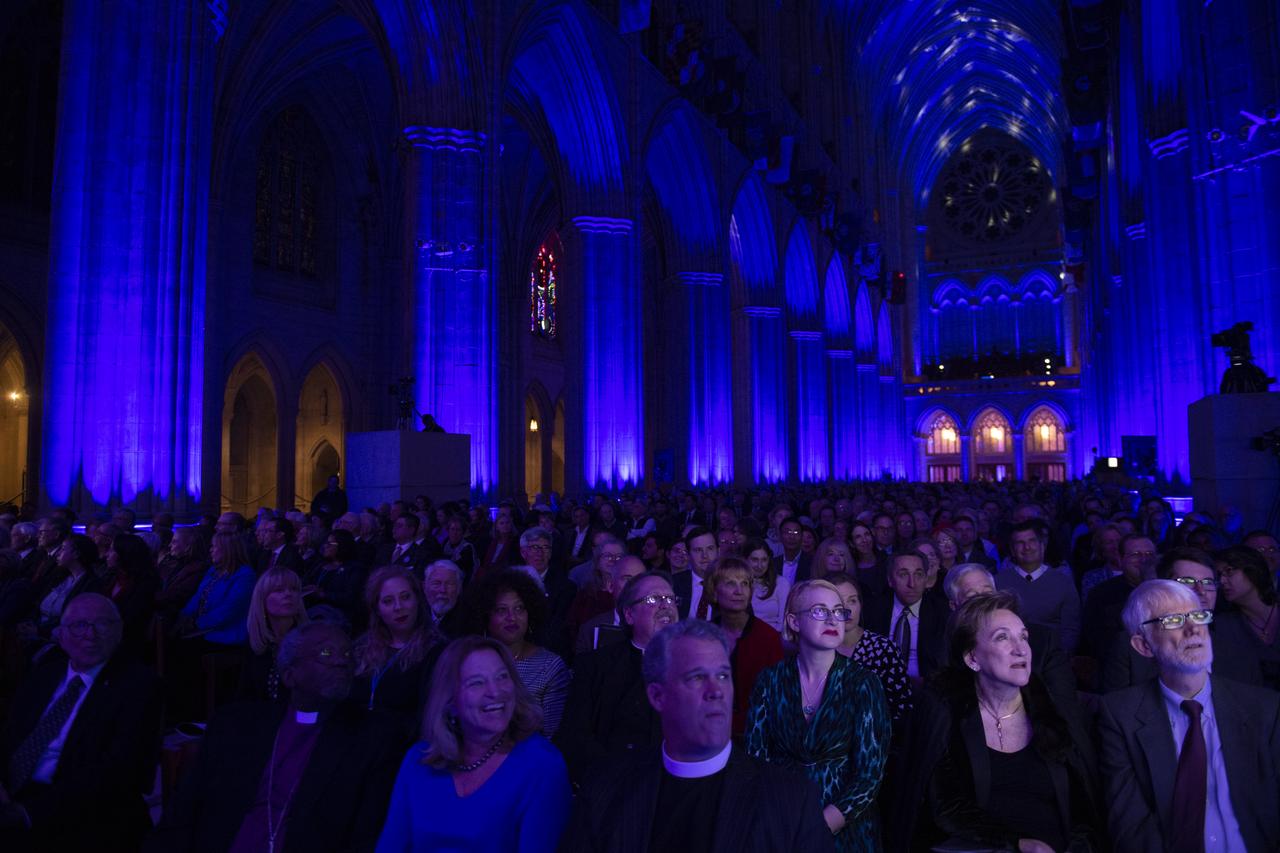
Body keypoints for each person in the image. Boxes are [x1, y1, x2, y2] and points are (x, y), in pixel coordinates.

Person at [560, 619, 835, 852]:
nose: (716, 691)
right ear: (657, 696)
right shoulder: (606, 791)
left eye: (724, 676)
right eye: (696, 677)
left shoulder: (790, 799)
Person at [154, 622, 403, 852]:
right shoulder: (234, 724)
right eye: (326, 654)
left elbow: (365, 836)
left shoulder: (372, 737)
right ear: (289, 674)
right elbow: (183, 814)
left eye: (348, 654)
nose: (342, 662)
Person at [1098, 579, 1280, 851]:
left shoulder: (1264, 708)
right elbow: (1131, 825)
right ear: (1143, 646)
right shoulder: (1119, 716)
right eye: (1172, 620)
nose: (1193, 628)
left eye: (1197, 615)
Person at [929, 592, 1103, 852]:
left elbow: (1084, 812)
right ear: (972, 658)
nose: (1021, 649)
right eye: (1002, 637)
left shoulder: (1053, 713)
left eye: (1023, 636)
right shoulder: (948, 716)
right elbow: (947, 808)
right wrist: (1017, 844)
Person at [376, 636, 571, 852]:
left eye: (502, 677)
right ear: (450, 702)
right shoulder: (419, 759)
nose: (495, 692)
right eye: (477, 682)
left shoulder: (543, 766)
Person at [0, 594, 162, 851]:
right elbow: (9, 735)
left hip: (86, 812)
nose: (90, 634)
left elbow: (118, 773)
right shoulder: (44, 674)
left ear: (119, 632)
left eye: (103, 624)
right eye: (79, 625)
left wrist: (26, 812)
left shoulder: (139, 686)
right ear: (61, 634)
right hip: (17, 792)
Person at [745, 580, 891, 852]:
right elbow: (757, 761)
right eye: (820, 611)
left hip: (846, 824)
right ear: (794, 621)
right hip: (782, 819)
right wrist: (784, 822)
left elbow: (869, 775)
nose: (833, 619)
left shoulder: (863, 683)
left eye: (838, 611)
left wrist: (818, 827)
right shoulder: (770, 680)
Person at [556, 571, 675, 786]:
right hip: (610, 785)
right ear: (629, 615)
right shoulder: (594, 666)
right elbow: (575, 736)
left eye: (670, 599)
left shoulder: (695, 667)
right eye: (653, 599)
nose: (666, 605)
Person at [943, 564, 1077, 710]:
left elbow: (1066, 709)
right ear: (954, 606)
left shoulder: (1043, 640)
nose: (984, 601)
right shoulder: (945, 647)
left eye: (988, 592)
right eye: (973, 596)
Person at [466, 569, 571, 736]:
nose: (512, 618)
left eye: (519, 608)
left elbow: (553, 735)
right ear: (486, 616)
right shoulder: (468, 662)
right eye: (501, 610)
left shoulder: (550, 666)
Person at [349, 566, 441, 730]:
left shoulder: (437, 650)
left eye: (405, 597)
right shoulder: (361, 647)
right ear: (377, 608)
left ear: (418, 599)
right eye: (388, 601)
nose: (398, 607)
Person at [707, 557, 783, 736]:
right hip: (710, 729)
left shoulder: (768, 637)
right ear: (715, 592)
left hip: (756, 733)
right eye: (730, 583)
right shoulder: (704, 637)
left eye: (745, 584)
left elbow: (777, 697)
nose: (739, 591)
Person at [827, 572, 912, 721]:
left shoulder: (883, 649)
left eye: (852, 601)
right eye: (838, 602)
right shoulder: (817, 647)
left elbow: (902, 708)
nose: (847, 610)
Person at [995, 520, 1082, 652]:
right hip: (1007, 657)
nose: (1027, 547)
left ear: (1042, 546)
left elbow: (1070, 629)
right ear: (1012, 550)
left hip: (1053, 657)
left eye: (1032, 541)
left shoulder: (1063, 582)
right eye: (1020, 543)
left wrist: (1058, 658)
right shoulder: (998, 582)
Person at [864, 550, 948, 680]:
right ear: (890, 580)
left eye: (918, 575)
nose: (912, 584)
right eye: (903, 574)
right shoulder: (872, 610)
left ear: (926, 579)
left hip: (927, 688)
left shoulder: (942, 612)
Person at [1213, 544, 1280, 691]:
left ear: (1252, 570)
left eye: (1229, 571)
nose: (1222, 581)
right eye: (1219, 575)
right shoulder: (1223, 625)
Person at [240, 568, 309, 703]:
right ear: (262, 599)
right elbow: (245, 693)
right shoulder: (257, 642)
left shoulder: (310, 639)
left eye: (294, 589)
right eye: (279, 590)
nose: (288, 594)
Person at [177, 531, 255, 647]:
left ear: (227, 549)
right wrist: (184, 615)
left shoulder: (245, 575)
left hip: (225, 634)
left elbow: (230, 609)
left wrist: (197, 624)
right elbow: (198, 596)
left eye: (214, 546)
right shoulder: (214, 570)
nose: (211, 550)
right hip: (203, 629)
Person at [574, 554, 646, 654]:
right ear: (610, 585)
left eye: (640, 579)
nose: (634, 586)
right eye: (627, 579)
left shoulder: (658, 628)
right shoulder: (589, 630)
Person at [305, 528, 366, 627]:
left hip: (338, 616)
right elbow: (306, 580)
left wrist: (324, 595)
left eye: (330, 544)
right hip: (313, 610)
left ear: (342, 546)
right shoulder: (319, 565)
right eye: (326, 543)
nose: (325, 546)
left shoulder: (355, 568)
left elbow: (351, 597)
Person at [155, 525, 210, 622]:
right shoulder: (169, 562)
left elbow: (176, 595)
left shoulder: (198, 569)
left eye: (175, 541)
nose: (170, 545)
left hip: (174, 617)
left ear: (189, 545)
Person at [744, 538, 789, 633]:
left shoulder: (781, 583)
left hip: (772, 636)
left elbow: (783, 622)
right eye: (754, 560)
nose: (759, 565)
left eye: (764, 560)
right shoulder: (739, 584)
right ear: (745, 559)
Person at [673, 527, 718, 619]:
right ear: (688, 555)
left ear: (718, 551)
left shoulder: (730, 583)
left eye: (710, 548)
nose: (705, 556)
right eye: (698, 550)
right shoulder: (674, 583)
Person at [423, 559, 465, 638]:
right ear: (424, 587)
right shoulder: (414, 613)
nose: (443, 590)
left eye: (449, 584)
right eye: (436, 583)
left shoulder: (467, 622)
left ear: (459, 589)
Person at [769, 518, 813, 587]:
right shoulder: (772, 563)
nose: (792, 537)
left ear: (802, 536)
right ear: (780, 536)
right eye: (787, 532)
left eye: (796, 532)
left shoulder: (812, 562)